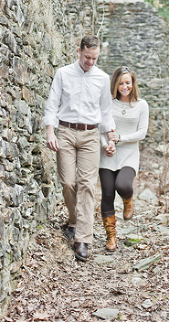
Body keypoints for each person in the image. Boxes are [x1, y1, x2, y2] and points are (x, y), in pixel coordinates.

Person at [44, 35, 115, 261]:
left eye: (94, 58)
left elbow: (105, 112)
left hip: (91, 136)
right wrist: (49, 132)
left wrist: (109, 139)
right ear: (79, 51)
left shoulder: (103, 79)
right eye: (87, 57)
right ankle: (74, 220)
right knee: (67, 182)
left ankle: (83, 239)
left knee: (87, 185)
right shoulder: (64, 73)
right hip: (65, 132)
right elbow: (52, 103)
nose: (90, 62)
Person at [99, 66, 148, 252]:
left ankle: (128, 201)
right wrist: (105, 144)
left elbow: (142, 132)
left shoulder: (141, 105)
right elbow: (100, 128)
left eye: (127, 82)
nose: (124, 86)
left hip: (129, 154)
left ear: (133, 83)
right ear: (115, 84)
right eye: (121, 83)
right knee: (108, 194)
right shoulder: (107, 104)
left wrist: (121, 138)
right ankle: (111, 236)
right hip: (107, 155)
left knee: (123, 185)